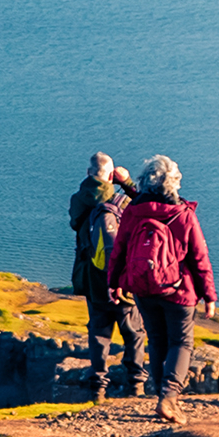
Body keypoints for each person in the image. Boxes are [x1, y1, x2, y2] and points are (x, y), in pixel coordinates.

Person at [110, 156, 219, 399]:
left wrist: (114, 282)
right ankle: (168, 397)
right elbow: (200, 258)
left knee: (157, 340)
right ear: (175, 183)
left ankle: (159, 391)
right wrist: (209, 296)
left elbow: (119, 250)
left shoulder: (133, 212)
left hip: (143, 289)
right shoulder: (183, 215)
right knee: (181, 343)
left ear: (143, 182)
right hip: (178, 291)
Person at [66, 151, 135, 389]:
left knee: (98, 331)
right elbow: (147, 205)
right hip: (122, 278)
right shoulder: (122, 201)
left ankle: (98, 382)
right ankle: (135, 382)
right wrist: (126, 183)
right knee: (132, 331)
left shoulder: (77, 200)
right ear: (112, 175)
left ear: (88, 173)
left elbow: (76, 223)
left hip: (91, 276)